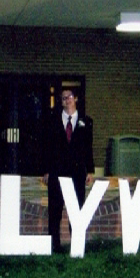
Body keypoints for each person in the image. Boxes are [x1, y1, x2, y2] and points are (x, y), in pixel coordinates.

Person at [42, 88, 94, 254]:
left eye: (69, 96)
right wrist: (46, 170)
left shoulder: (86, 121)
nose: (67, 100)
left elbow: (88, 148)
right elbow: (46, 147)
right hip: (57, 172)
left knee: (76, 210)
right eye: (63, 98)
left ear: (75, 98)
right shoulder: (52, 121)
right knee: (55, 211)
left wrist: (90, 170)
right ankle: (54, 247)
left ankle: (76, 247)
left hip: (77, 173)